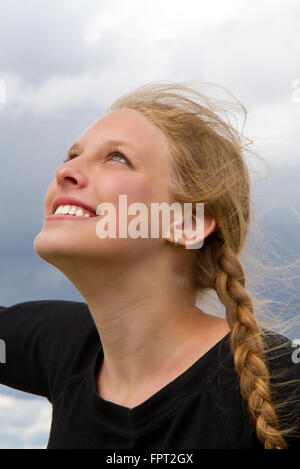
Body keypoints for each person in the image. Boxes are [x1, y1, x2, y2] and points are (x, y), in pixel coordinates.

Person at [1, 81, 300, 449]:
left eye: (117, 158)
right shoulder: (61, 346)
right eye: (71, 156)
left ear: (188, 222)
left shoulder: (284, 379)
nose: (66, 172)